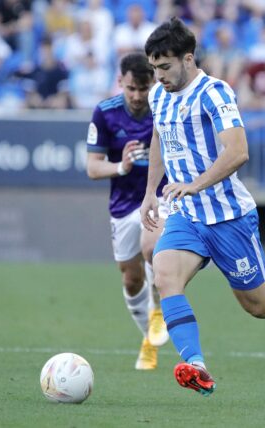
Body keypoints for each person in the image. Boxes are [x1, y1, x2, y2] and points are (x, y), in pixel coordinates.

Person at [139, 18, 265, 396]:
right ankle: (196, 366)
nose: (159, 76)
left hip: (229, 216)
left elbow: (238, 152)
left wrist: (194, 185)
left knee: (259, 305)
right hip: (187, 213)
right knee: (165, 275)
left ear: (188, 58)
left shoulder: (215, 94)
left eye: (165, 67)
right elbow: (159, 138)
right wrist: (151, 190)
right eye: (154, 68)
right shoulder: (158, 95)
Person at [86, 52, 169, 370]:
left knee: (155, 252)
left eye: (143, 88)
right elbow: (92, 168)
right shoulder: (105, 113)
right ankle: (149, 338)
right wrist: (122, 165)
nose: (137, 96)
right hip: (123, 205)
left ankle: (159, 310)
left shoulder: (165, 109)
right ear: (120, 82)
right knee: (131, 279)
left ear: (154, 83)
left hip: (161, 198)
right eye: (131, 88)